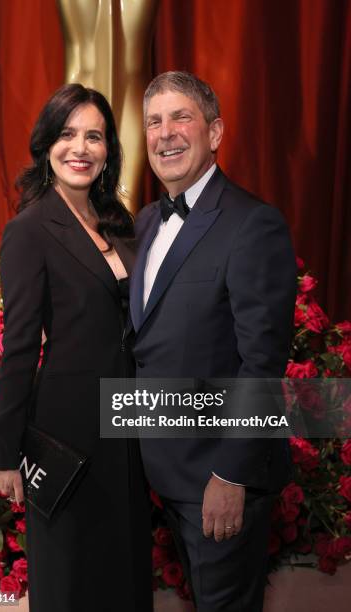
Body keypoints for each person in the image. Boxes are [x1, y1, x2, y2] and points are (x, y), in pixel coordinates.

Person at [129, 71, 297, 611]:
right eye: (154, 121)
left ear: (216, 132)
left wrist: (231, 473)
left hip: (217, 478)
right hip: (158, 475)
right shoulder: (145, 224)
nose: (166, 133)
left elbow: (262, 362)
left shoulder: (253, 224)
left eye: (182, 117)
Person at [0, 84, 153, 612]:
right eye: (66, 134)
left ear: (108, 151)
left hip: (130, 425)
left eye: (94, 136)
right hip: (68, 431)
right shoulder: (29, 230)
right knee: (73, 578)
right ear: (46, 145)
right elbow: (18, 348)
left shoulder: (122, 225)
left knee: (125, 571)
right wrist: (3, 451)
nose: (80, 147)